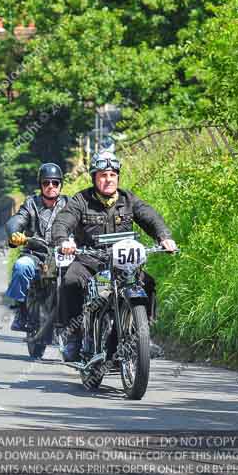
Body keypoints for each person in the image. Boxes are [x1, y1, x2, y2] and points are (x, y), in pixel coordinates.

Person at [52, 151, 177, 361]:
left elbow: (150, 217)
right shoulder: (81, 200)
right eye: (102, 175)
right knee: (71, 281)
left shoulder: (129, 199)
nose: (108, 179)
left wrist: (164, 237)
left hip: (122, 264)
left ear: (118, 177)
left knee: (148, 283)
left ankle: (142, 336)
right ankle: (73, 337)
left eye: (112, 175)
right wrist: (63, 240)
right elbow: (63, 221)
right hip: (90, 262)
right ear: (94, 178)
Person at [4, 163, 69, 331]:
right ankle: (21, 310)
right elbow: (17, 219)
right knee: (21, 266)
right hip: (35, 254)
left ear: (60, 184)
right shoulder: (31, 203)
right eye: (46, 183)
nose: (50, 187)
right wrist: (14, 233)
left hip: (62, 256)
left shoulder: (69, 204)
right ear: (40, 185)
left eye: (55, 183)